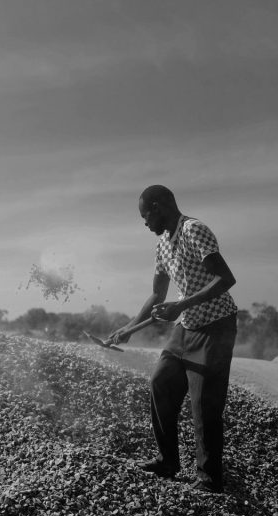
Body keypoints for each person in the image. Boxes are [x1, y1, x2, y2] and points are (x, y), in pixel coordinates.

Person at [110, 185, 238, 494]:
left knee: (204, 404)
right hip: (186, 326)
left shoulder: (195, 230)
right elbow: (157, 294)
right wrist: (128, 328)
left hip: (215, 326)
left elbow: (226, 279)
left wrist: (181, 305)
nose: (144, 223)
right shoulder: (163, 245)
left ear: (158, 207)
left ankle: (209, 479)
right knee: (161, 381)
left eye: (145, 216)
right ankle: (167, 461)